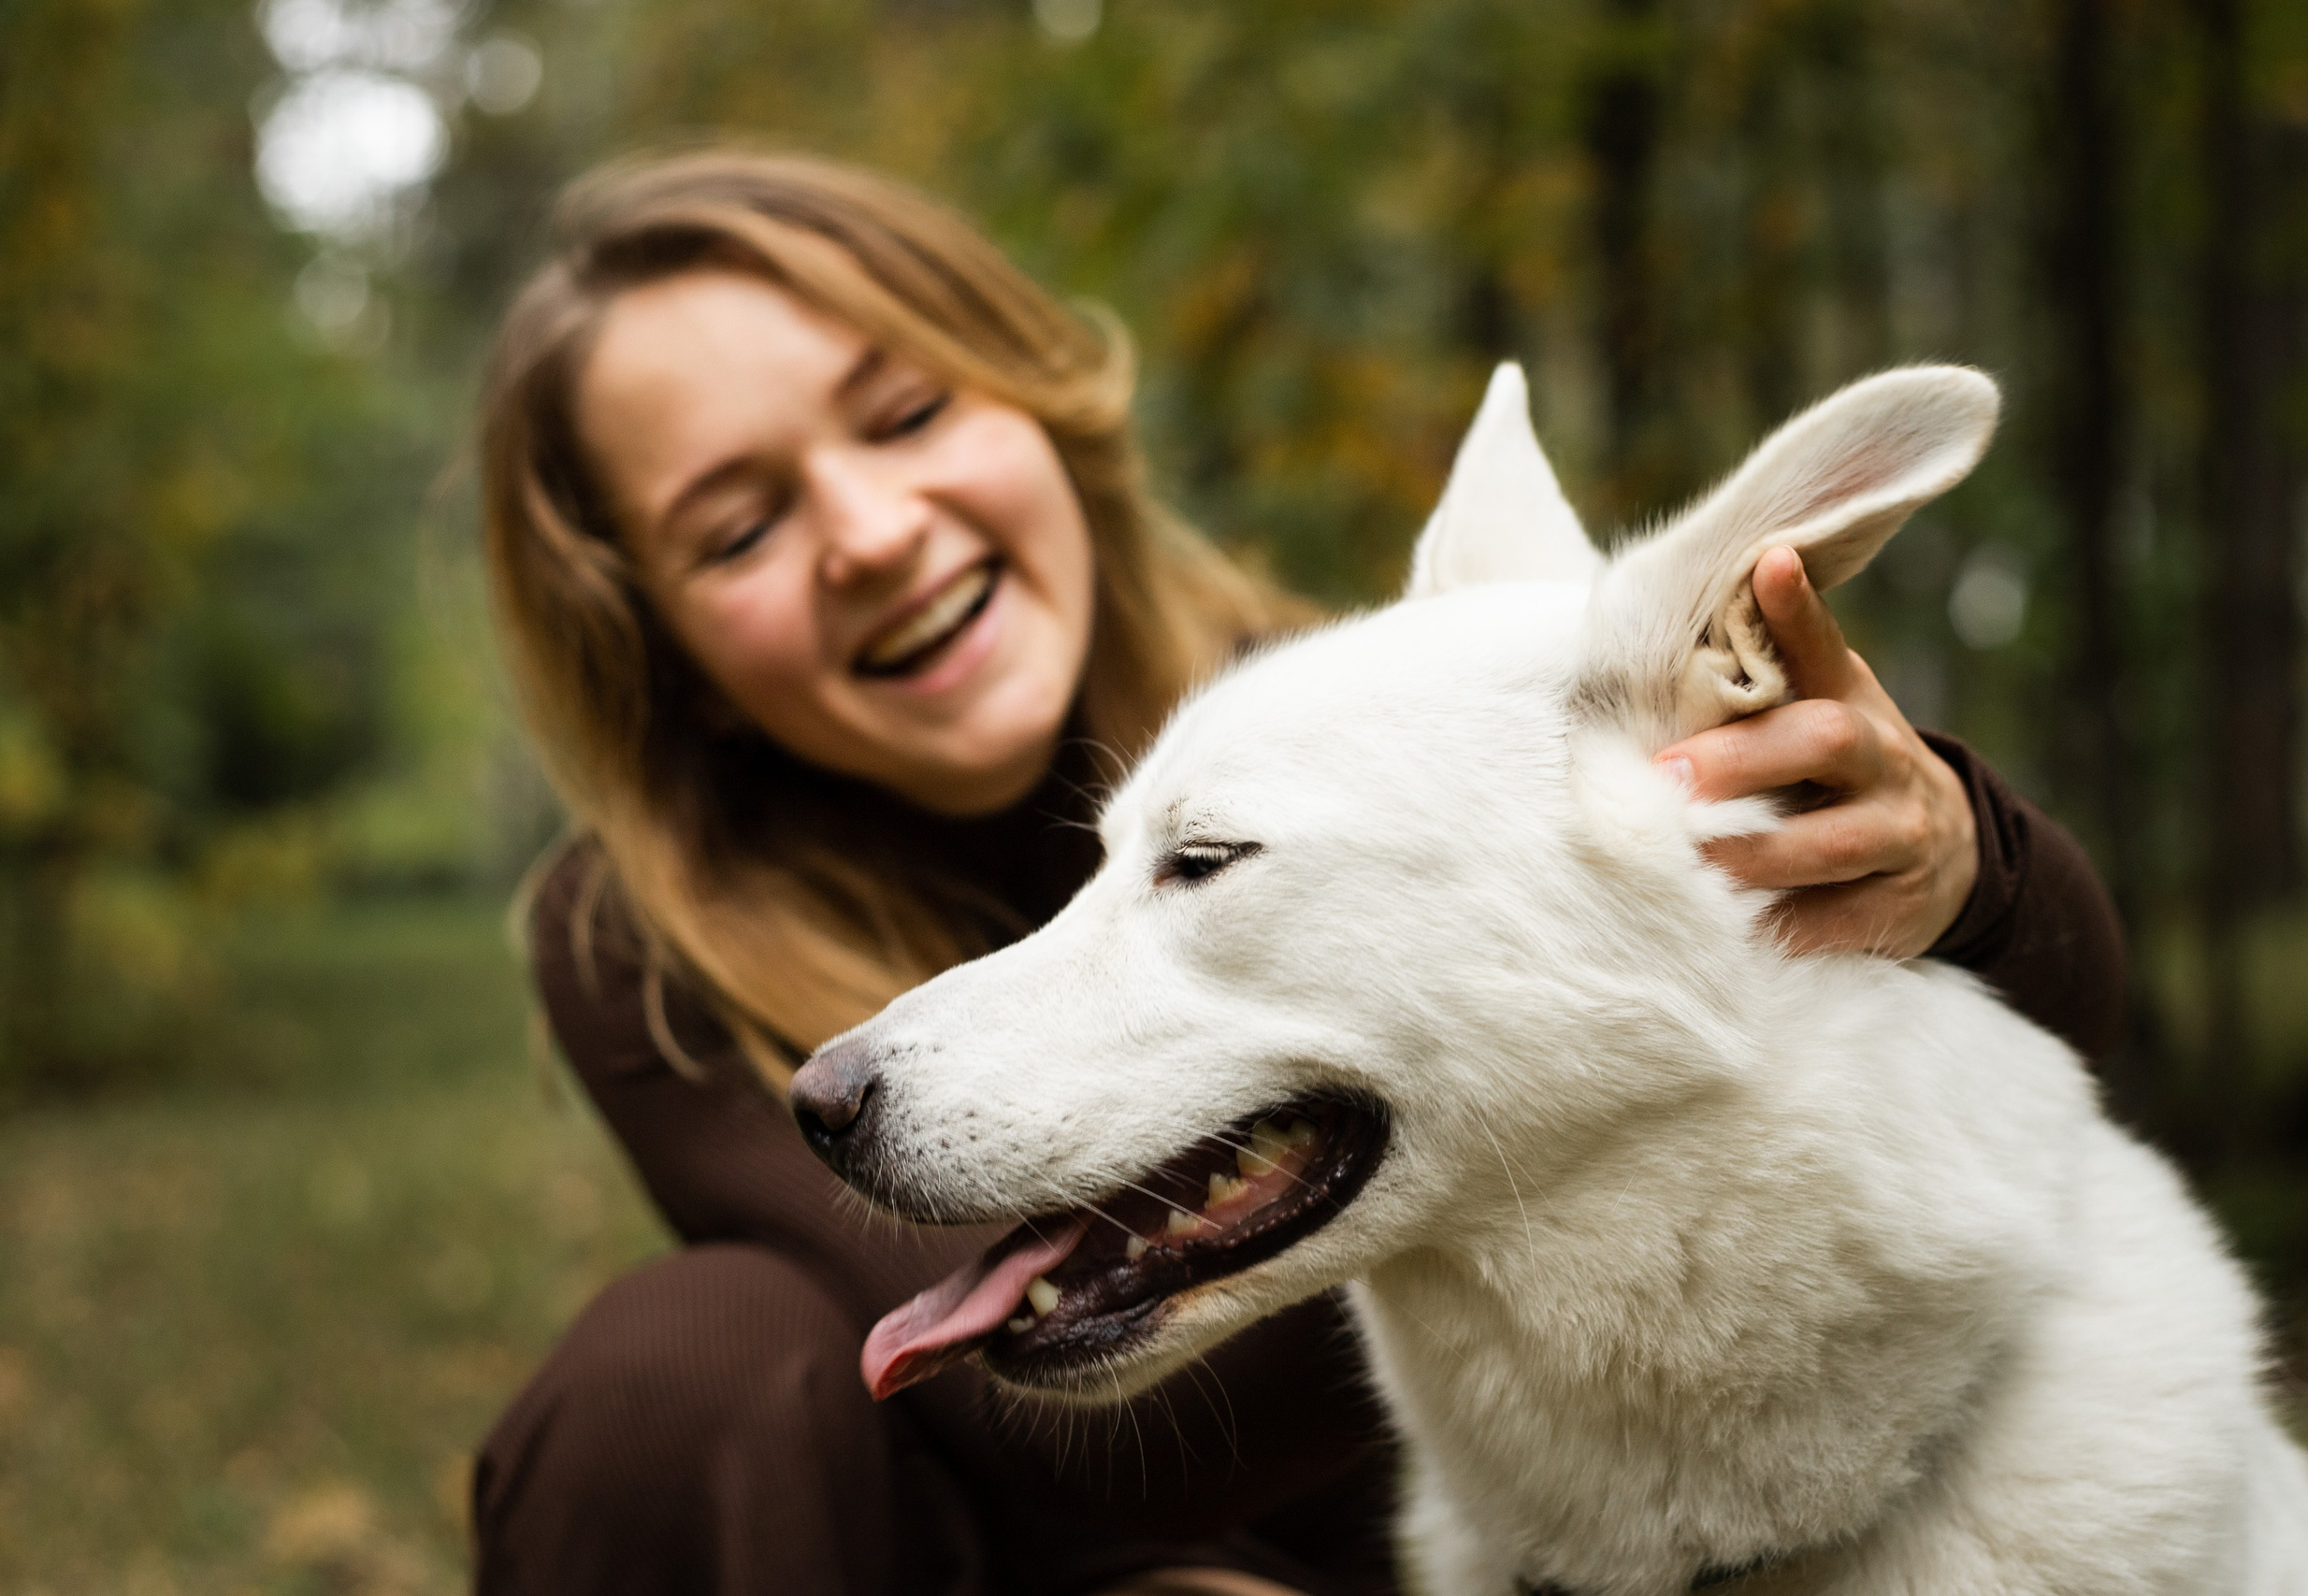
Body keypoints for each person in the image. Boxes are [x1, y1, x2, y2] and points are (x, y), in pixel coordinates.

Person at [468, 149, 2127, 1596]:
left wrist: (1948, 856)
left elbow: (2048, 1012)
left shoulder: (1365, 714)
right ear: (660, 639)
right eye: (738, 529)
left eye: (905, 414)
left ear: (1038, 402)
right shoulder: (641, 940)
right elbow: (992, 1395)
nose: (873, 530)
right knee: (685, 1363)